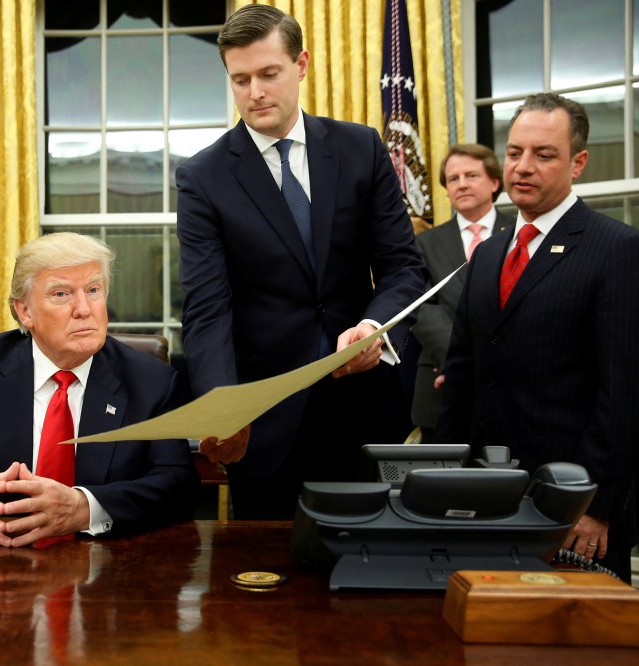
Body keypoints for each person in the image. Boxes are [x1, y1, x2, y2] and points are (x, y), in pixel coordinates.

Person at [175, 5, 426, 519]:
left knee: (368, 581)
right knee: (261, 583)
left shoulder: (362, 148)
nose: (255, 92)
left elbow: (403, 267)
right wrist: (224, 410)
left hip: (364, 413)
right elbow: (207, 309)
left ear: (302, 64)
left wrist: (375, 327)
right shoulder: (203, 177)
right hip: (264, 426)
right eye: (239, 79)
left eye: (268, 74)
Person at [0, 232, 199, 546]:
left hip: (108, 574)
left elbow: (177, 486)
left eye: (93, 290)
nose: (83, 309)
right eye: (61, 294)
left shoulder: (150, 381)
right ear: (25, 311)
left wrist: (83, 509)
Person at [438, 93, 639, 582]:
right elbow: (464, 375)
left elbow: (624, 394)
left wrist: (597, 505)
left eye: (543, 155)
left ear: (578, 162)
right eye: (514, 152)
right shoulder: (487, 255)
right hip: (483, 499)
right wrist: (442, 485)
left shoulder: (617, 248)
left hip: (570, 509)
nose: (523, 166)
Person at [410, 145, 514, 443]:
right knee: (442, 487)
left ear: (494, 182)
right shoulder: (424, 242)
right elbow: (422, 308)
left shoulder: (522, 233)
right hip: (440, 384)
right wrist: (461, 365)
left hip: (509, 384)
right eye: (453, 178)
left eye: (471, 175)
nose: (462, 184)